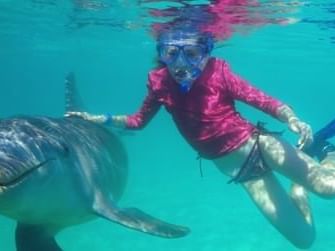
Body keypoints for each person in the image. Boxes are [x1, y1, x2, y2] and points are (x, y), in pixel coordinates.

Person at [66, 28, 335, 249]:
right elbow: (138, 121)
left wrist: (292, 120)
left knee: (328, 189)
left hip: (260, 144)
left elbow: (261, 100)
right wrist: (99, 119)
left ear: (206, 53)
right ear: (162, 55)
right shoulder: (159, 83)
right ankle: (302, 178)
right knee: (304, 240)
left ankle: (325, 149)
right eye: (172, 53)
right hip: (244, 172)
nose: (182, 63)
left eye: (192, 53)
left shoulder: (218, 73)